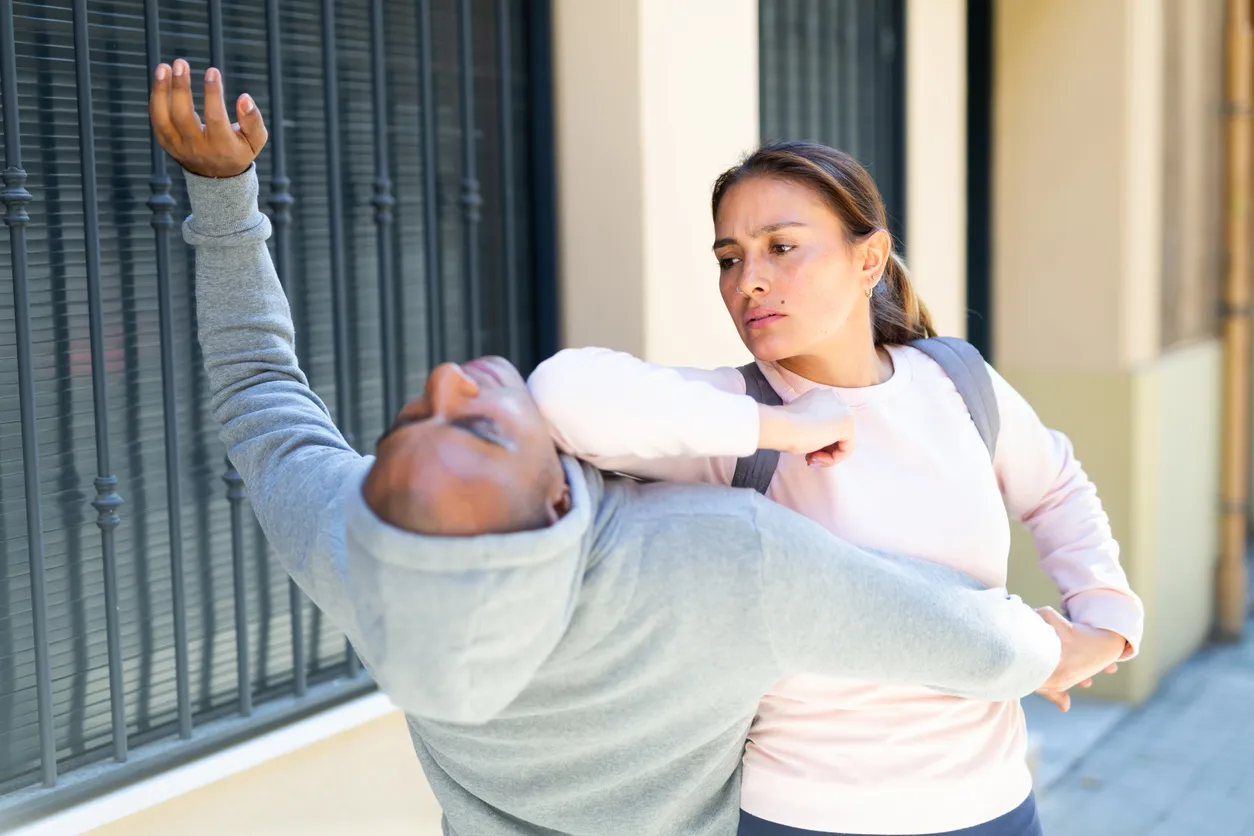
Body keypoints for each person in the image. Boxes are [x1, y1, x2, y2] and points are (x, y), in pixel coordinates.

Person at [150, 61, 1079, 836]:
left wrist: (223, 197)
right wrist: (1065, 648)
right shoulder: (706, 557)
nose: (444, 382)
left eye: (405, 423)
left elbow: (258, 391)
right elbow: (962, 633)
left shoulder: (346, 540)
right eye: (475, 426)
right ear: (557, 498)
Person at [527, 142, 1144, 836]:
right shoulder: (739, 420)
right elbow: (558, 396)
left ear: (869, 259)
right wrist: (786, 427)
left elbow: (1056, 485)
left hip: (993, 807)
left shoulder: (954, 382)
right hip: (801, 816)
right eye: (729, 258)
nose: (748, 282)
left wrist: (1107, 622)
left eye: (781, 247)